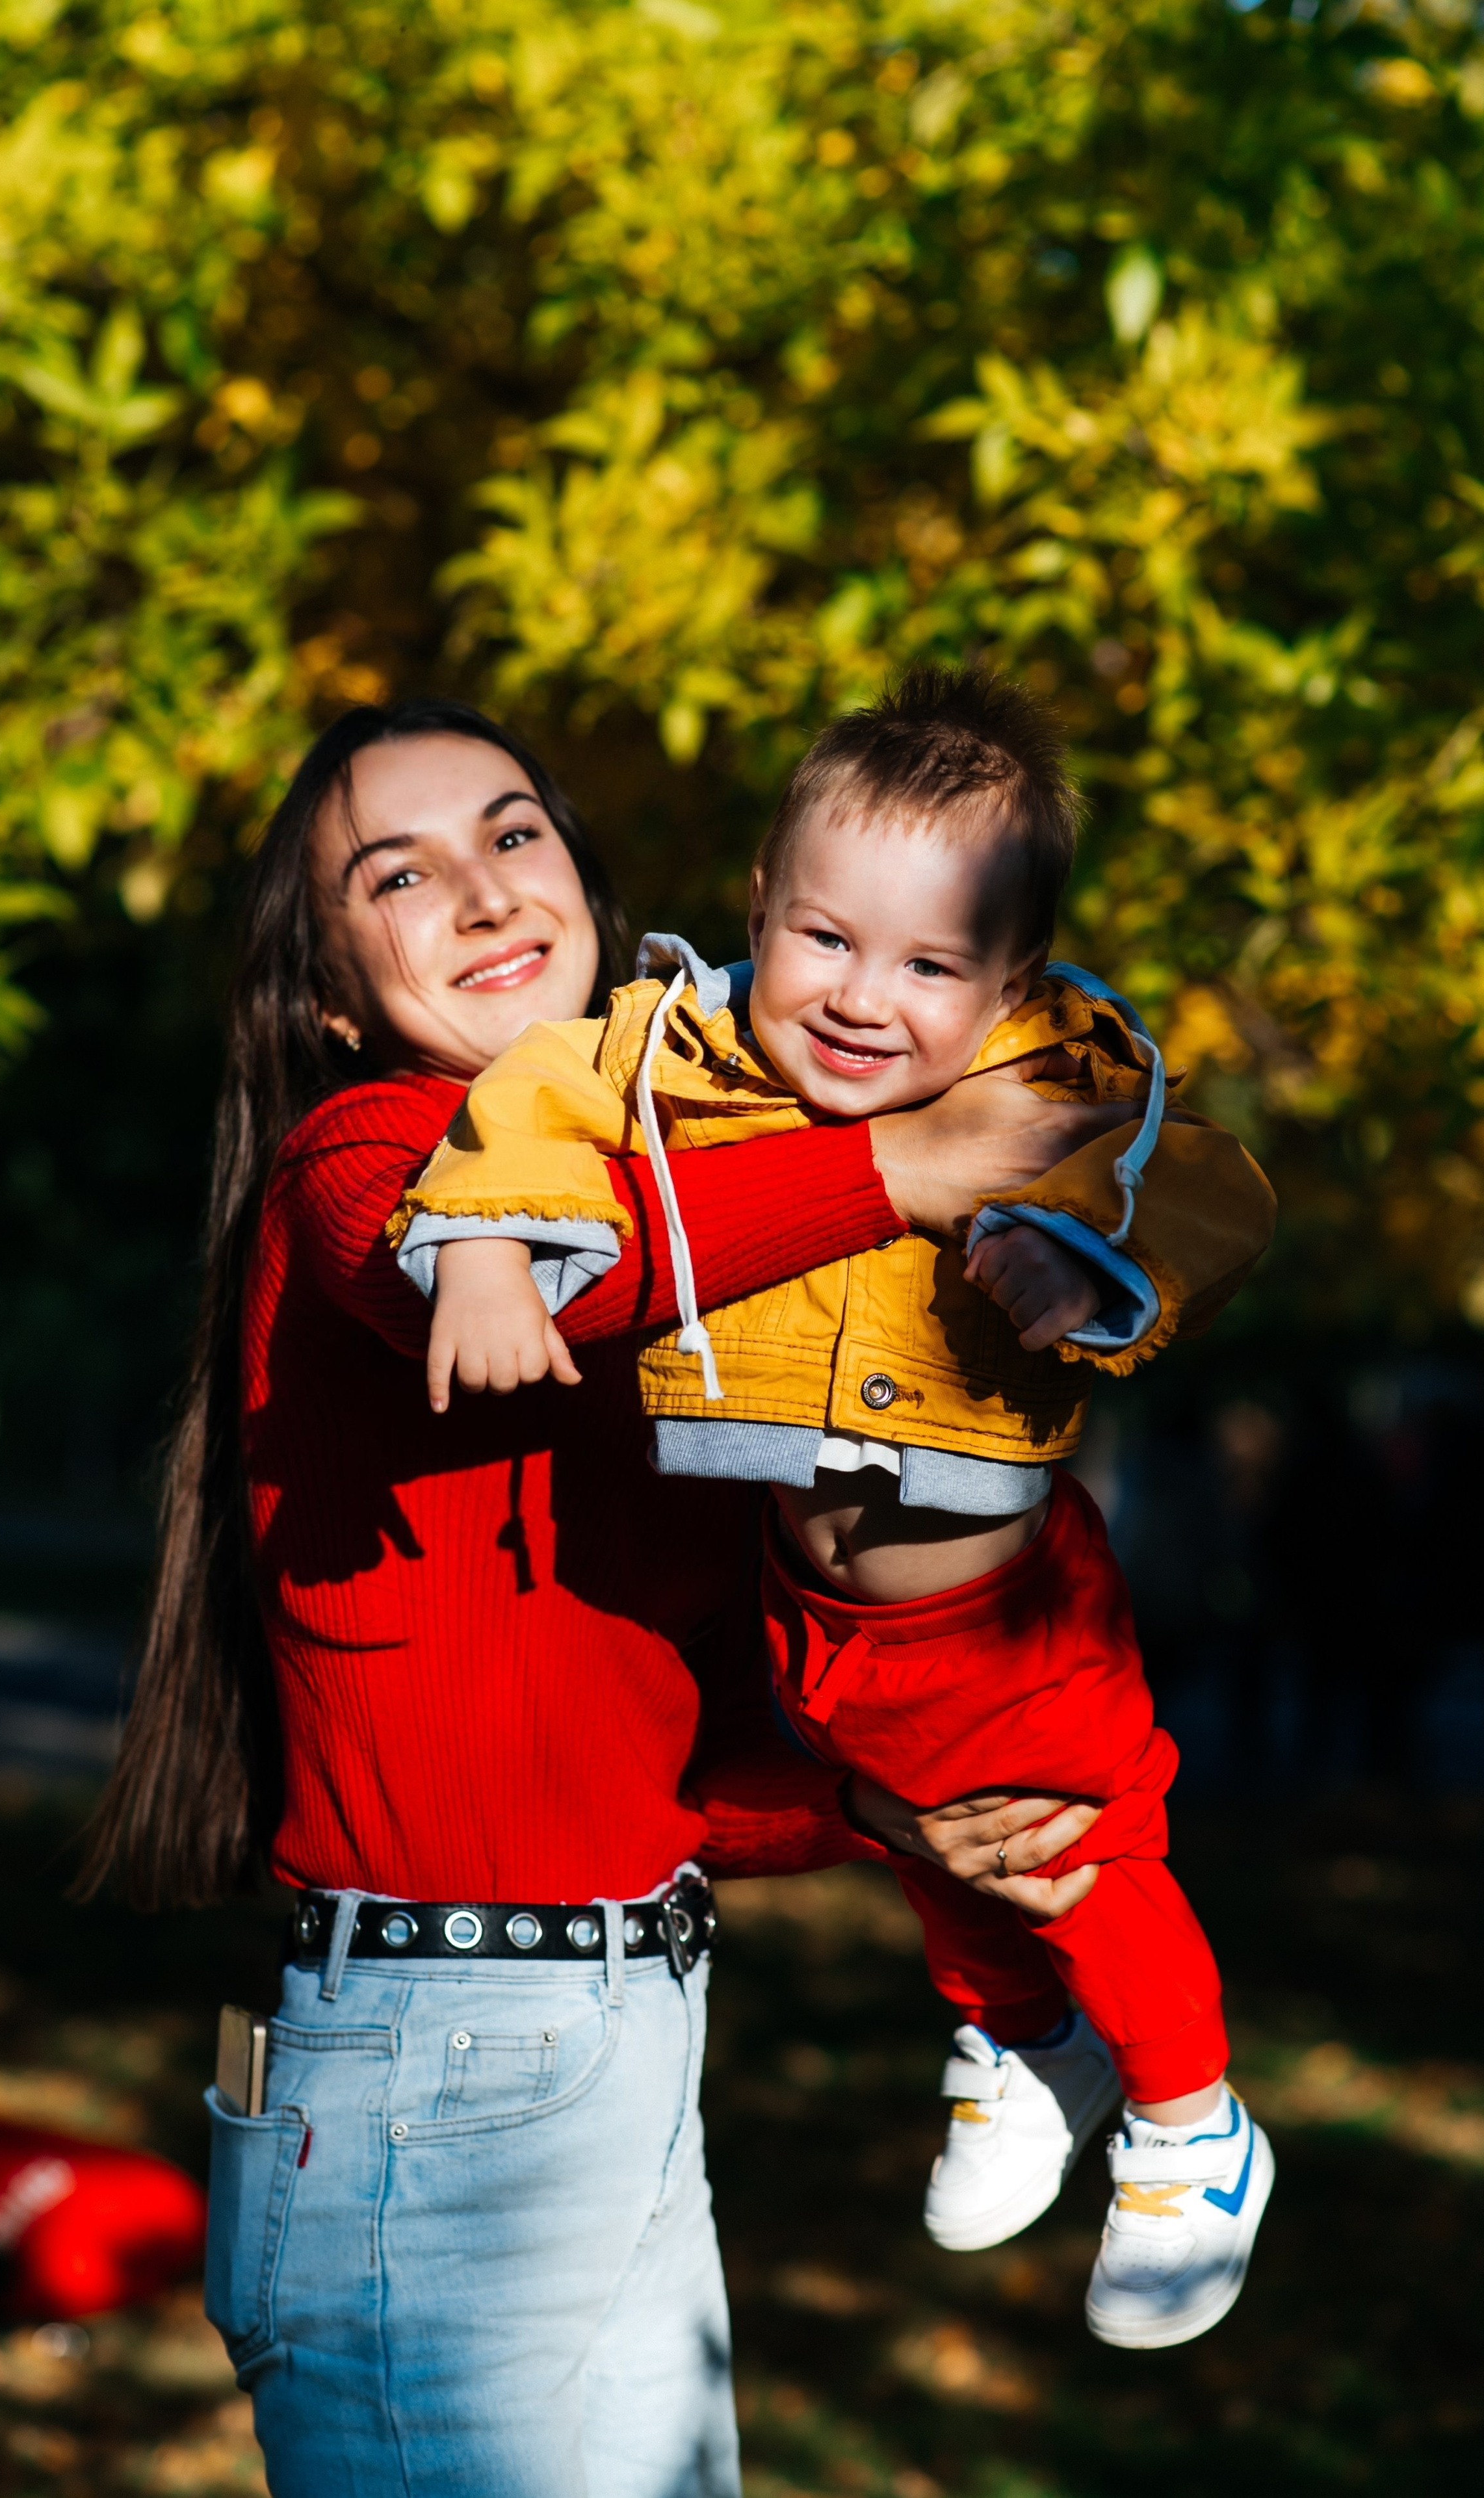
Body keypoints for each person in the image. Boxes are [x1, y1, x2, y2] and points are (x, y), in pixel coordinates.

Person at [80, 695, 1134, 2497]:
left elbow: (657, 1731)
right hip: (437, 2091)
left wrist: (898, 1807)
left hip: (623, 2041)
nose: (482, 891)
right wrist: (901, 1164)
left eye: (513, 835)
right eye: (396, 874)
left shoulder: (702, 1254)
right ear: (329, 990)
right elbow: (517, 1296)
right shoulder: (363, 1160)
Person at [394, 668, 1279, 2352]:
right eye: (828, 941)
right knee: (937, 1846)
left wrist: (1080, 1243)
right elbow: (536, 1105)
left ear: (1010, 979)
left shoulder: (1051, 1073)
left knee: (1078, 1852)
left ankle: (1190, 2122)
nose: (868, 998)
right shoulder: (682, 1046)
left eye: (935, 965)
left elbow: (1198, 1173)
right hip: (821, 1614)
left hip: (999, 1605)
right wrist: (494, 1246)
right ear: (759, 912)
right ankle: (1025, 2034)